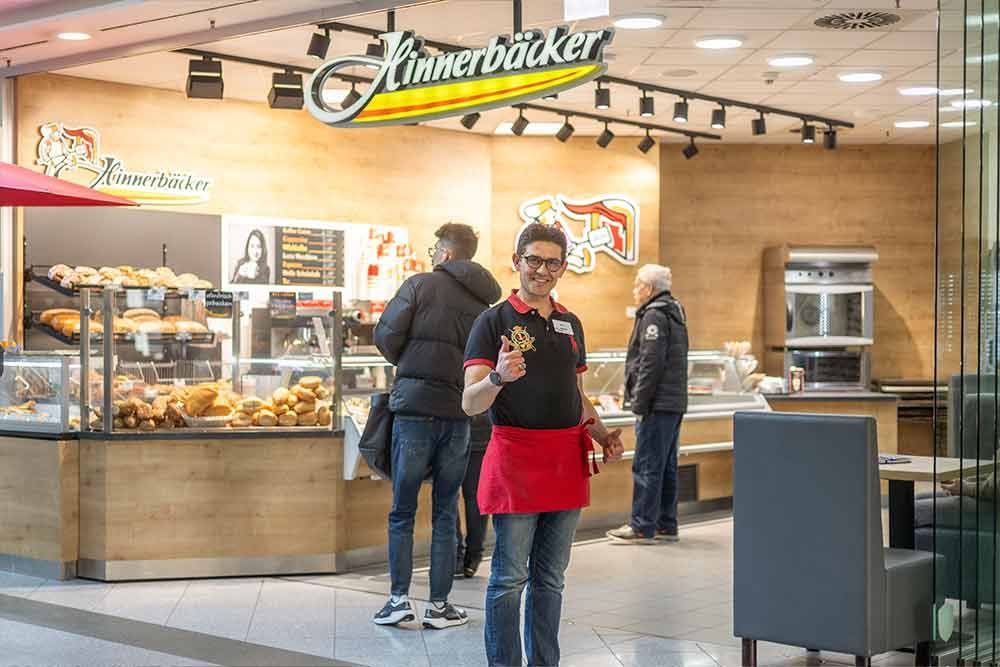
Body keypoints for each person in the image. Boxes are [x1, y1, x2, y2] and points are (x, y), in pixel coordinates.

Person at [462, 222, 624, 667]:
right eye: (533, 259)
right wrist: (497, 377)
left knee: (551, 579)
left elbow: (577, 395)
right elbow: (470, 401)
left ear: (563, 267)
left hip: (564, 462)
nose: (542, 270)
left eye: (552, 262)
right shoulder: (492, 321)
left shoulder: (571, 322)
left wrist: (601, 434)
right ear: (517, 262)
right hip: (515, 459)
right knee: (510, 578)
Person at [373, 223, 501, 629]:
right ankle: (440, 606)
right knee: (446, 510)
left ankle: (398, 601)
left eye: (434, 248)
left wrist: (412, 366)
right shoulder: (487, 304)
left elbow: (386, 336)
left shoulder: (419, 285)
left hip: (414, 412)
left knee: (403, 510)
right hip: (460, 415)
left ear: (445, 253)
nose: (430, 254)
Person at [607, 264, 689, 545]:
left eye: (637, 284)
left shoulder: (654, 315)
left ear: (650, 288)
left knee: (647, 465)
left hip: (657, 403)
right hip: (673, 402)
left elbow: (650, 363)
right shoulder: (674, 310)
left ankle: (642, 526)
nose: (634, 289)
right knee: (666, 465)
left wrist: (639, 402)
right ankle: (666, 524)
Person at [455, 412, 491, 579]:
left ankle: (456, 556)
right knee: (475, 497)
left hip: (451, 431)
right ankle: (473, 556)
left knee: (447, 497)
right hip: (481, 431)